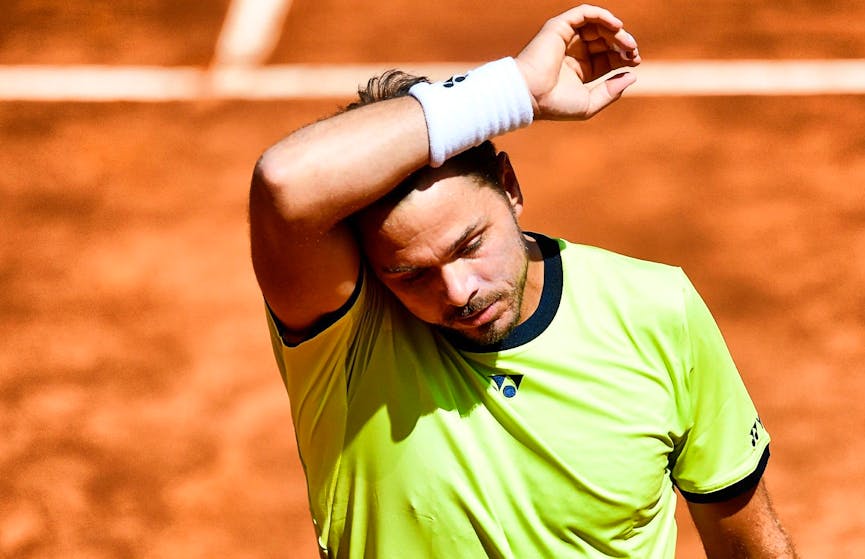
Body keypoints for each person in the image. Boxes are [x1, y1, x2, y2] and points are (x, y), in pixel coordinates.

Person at [249, 5, 797, 558]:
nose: (458, 291)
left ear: (509, 187)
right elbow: (285, 184)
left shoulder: (657, 310)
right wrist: (515, 90)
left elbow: (750, 547)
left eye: (469, 245)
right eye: (411, 274)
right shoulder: (348, 346)